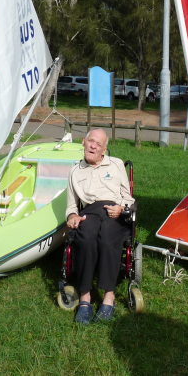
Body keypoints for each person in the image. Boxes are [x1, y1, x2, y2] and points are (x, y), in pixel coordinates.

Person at [65, 128, 135, 325]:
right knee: (86, 236)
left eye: (98, 144)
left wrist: (121, 208)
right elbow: (72, 204)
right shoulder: (75, 171)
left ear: (104, 150)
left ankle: (108, 296)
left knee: (108, 236)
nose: (93, 145)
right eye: (90, 141)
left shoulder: (116, 164)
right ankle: (85, 296)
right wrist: (72, 215)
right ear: (83, 143)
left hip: (115, 210)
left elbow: (128, 197)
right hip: (89, 211)